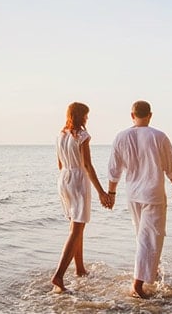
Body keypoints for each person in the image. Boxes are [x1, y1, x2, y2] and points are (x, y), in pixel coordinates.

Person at [107, 100, 172, 299]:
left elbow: (114, 170)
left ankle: (152, 273)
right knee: (150, 238)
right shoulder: (159, 136)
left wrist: (112, 193)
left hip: (133, 195)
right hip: (153, 194)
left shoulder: (120, 137)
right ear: (150, 115)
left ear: (132, 115)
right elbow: (171, 168)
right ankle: (138, 285)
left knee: (142, 236)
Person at [51, 102, 114, 293]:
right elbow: (87, 165)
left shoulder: (60, 135)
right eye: (86, 115)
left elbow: (60, 164)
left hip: (64, 180)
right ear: (80, 116)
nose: (87, 118)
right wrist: (102, 192)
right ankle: (59, 276)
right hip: (78, 179)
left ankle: (79, 269)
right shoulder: (82, 136)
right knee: (77, 229)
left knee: (75, 227)